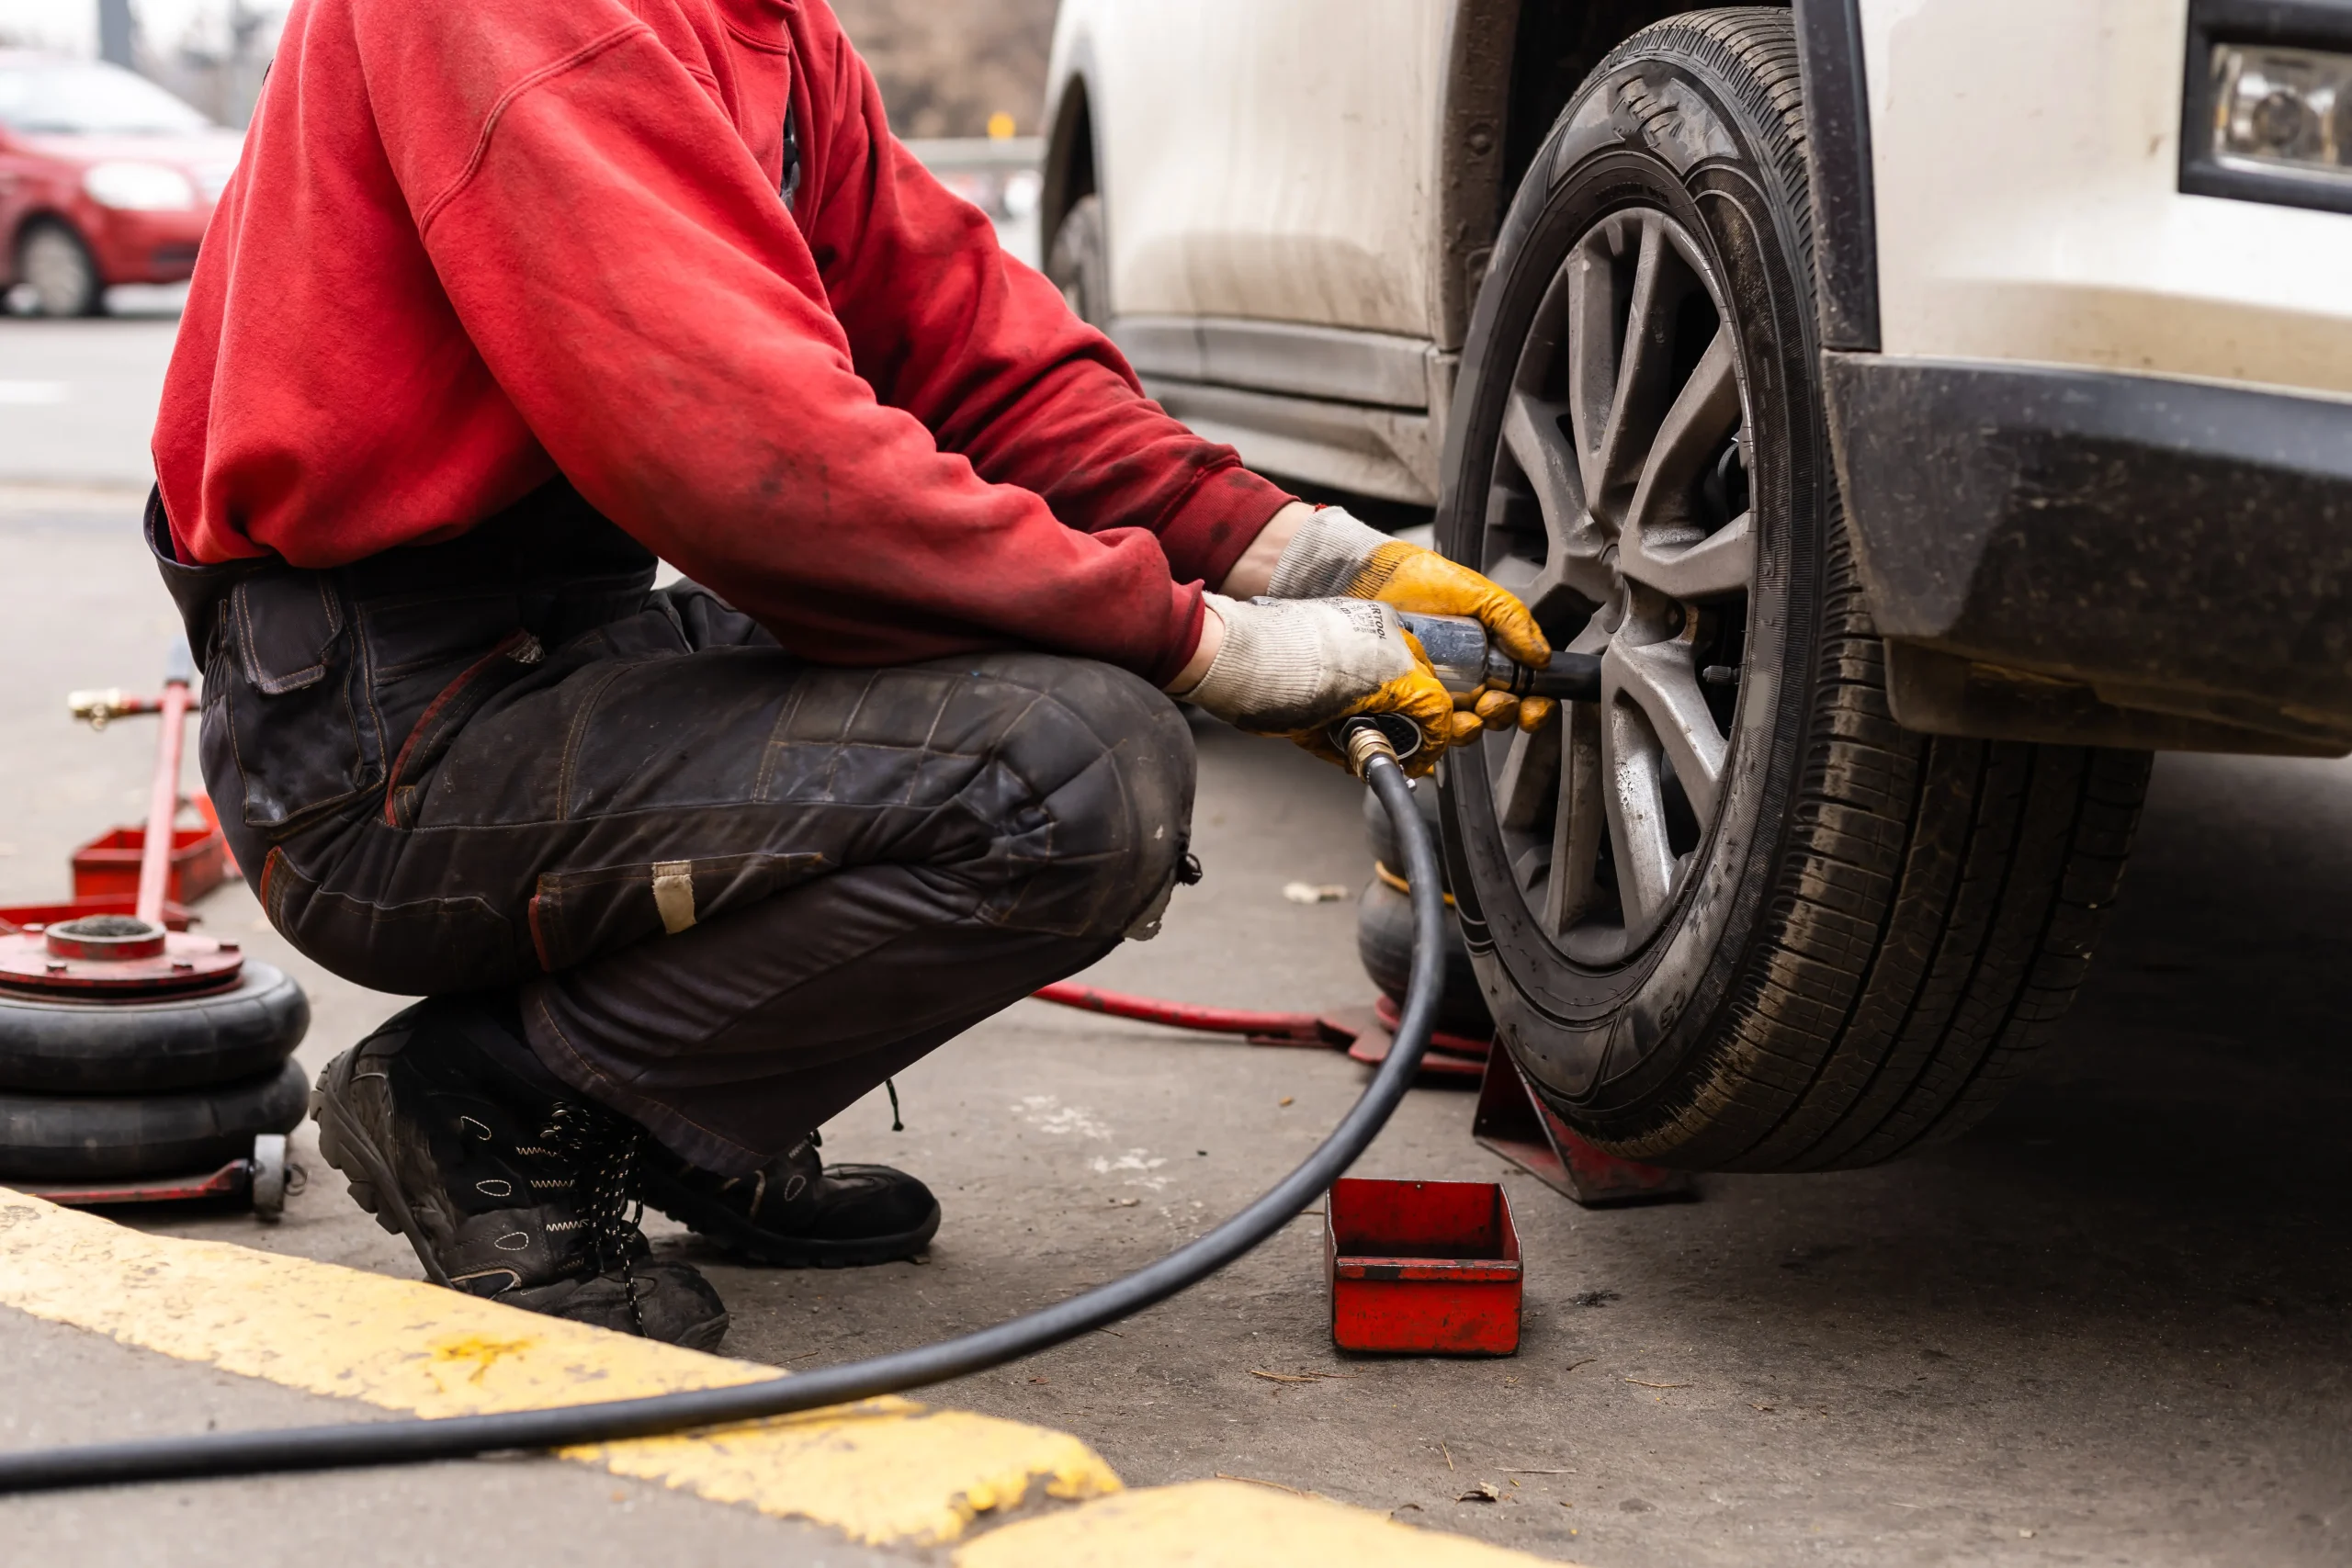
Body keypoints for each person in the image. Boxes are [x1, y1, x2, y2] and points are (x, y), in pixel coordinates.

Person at [148, 0, 1551, 1348]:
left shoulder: (764, 27)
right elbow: (750, 464)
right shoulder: (520, 15)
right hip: (384, 746)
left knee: (1028, 696)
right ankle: (493, 1097)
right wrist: (1209, 646)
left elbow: (975, 355)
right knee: (1066, 775)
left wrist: (1301, 557)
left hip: (545, 658)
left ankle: (674, 1110)